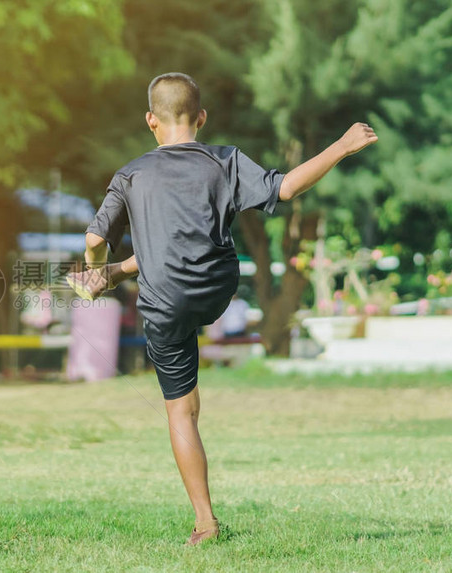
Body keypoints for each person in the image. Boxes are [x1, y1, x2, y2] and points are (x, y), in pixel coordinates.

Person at [67, 73, 377, 545]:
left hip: (164, 300)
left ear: (151, 120)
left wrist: (96, 269)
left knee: (182, 412)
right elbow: (286, 188)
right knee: (174, 249)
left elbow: (93, 239)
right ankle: (121, 273)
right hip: (216, 286)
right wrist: (341, 146)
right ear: (202, 117)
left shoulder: (130, 173)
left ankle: (205, 523)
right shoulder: (226, 161)